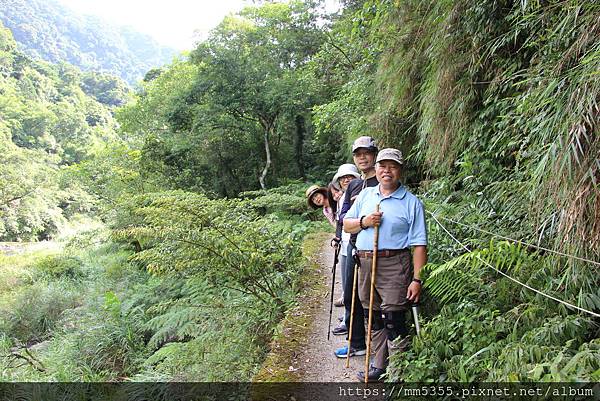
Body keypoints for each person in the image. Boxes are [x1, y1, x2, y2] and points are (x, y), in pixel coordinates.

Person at [344, 148, 428, 382]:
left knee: (393, 318)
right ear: (376, 168)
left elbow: (420, 245)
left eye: (392, 166)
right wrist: (365, 221)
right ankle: (379, 366)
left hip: (394, 263)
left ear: (400, 170)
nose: (386, 171)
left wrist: (417, 279)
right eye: (382, 166)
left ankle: (399, 372)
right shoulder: (365, 195)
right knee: (374, 316)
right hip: (365, 261)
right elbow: (346, 224)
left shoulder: (412, 203)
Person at [332, 136, 379, 359]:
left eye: (366, 153)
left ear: (374, 155)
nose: (362, 157)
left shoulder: (382, 182)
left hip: (378, 248)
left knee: (375, 300)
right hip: (353, 246)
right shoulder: (354, 185)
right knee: (352, 295)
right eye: (358, 154)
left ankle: (382, 350)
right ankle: (357, 342)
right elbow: (344, 217)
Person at [331, 164, 360, 309]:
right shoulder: (341, 199)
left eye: (350, 177)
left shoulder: (361, 195)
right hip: (344, 243)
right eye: (343, 178)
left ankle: (350, 318)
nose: (346, 180)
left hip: (355, 244)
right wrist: (337, 238)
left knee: (353, 282)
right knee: (345, 281)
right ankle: (347, 317)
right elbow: (339, 222)